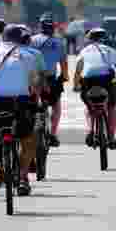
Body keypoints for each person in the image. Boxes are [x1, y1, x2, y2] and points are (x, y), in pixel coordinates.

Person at [0, 24, 44, 196]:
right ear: (22, 39)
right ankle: (22, 178)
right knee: (29, 139)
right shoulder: (29, 55)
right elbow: (37, 84)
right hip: (20, 104)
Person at [73, 28, 116, 149]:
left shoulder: (84, 51)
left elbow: (78, 69)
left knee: (89, 106)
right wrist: (115, 81)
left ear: (89, 39)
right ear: (104, 38)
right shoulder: (110, 50)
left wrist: (76, 85)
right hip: (106, 81)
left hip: (88, 81)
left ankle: (90, 131)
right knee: (111, 107)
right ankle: (111, 136)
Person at [30, 17, 68, 147]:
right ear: (53, 28)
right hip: (51, 78)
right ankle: (53, 134)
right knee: (56, 106)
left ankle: (30, 130)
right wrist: (65, 76)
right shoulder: (59, 42)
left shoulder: (32, 40)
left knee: (31, 105)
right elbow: (63, 63)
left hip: (34, 78)